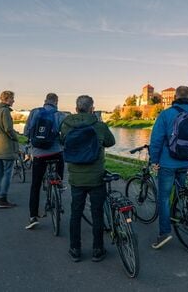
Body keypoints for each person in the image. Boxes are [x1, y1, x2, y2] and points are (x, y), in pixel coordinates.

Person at [60, 95, 115, 263]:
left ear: (76, 108)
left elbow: (62, 141)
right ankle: (97, 250)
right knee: (97, 214)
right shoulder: (99, 125)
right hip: (96, 177)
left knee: (75, 213)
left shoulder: (66, 125)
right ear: (92, 108)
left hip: (76, 178)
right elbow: (111, 142)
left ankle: (75, 249)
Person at [149, 86, 188, 249]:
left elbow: (157, 140)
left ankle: (164, 233)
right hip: (186, 162)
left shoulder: (166, 114)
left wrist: (154, 160)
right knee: (181, 193)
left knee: (164, 198)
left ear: (174, 96)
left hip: (167, 162)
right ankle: (183, 218)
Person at [24, 93, 66, 229]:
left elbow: (26, 132)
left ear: (45, 101)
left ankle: (33, 217)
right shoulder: (60, 115)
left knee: (35, 185)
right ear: (56, 102)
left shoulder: (35, 112)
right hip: (56, 152)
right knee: (60, 159)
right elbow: (64, 135)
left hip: (39, 155)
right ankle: (59, 183)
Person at [0, 90, 19, 208]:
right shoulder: (5, 111)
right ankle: (3, 199)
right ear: (6, 99)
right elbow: (8, 129)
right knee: (7, 173)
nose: (13, 100)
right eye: (12, 98)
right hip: (7, 147)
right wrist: (16, 137)